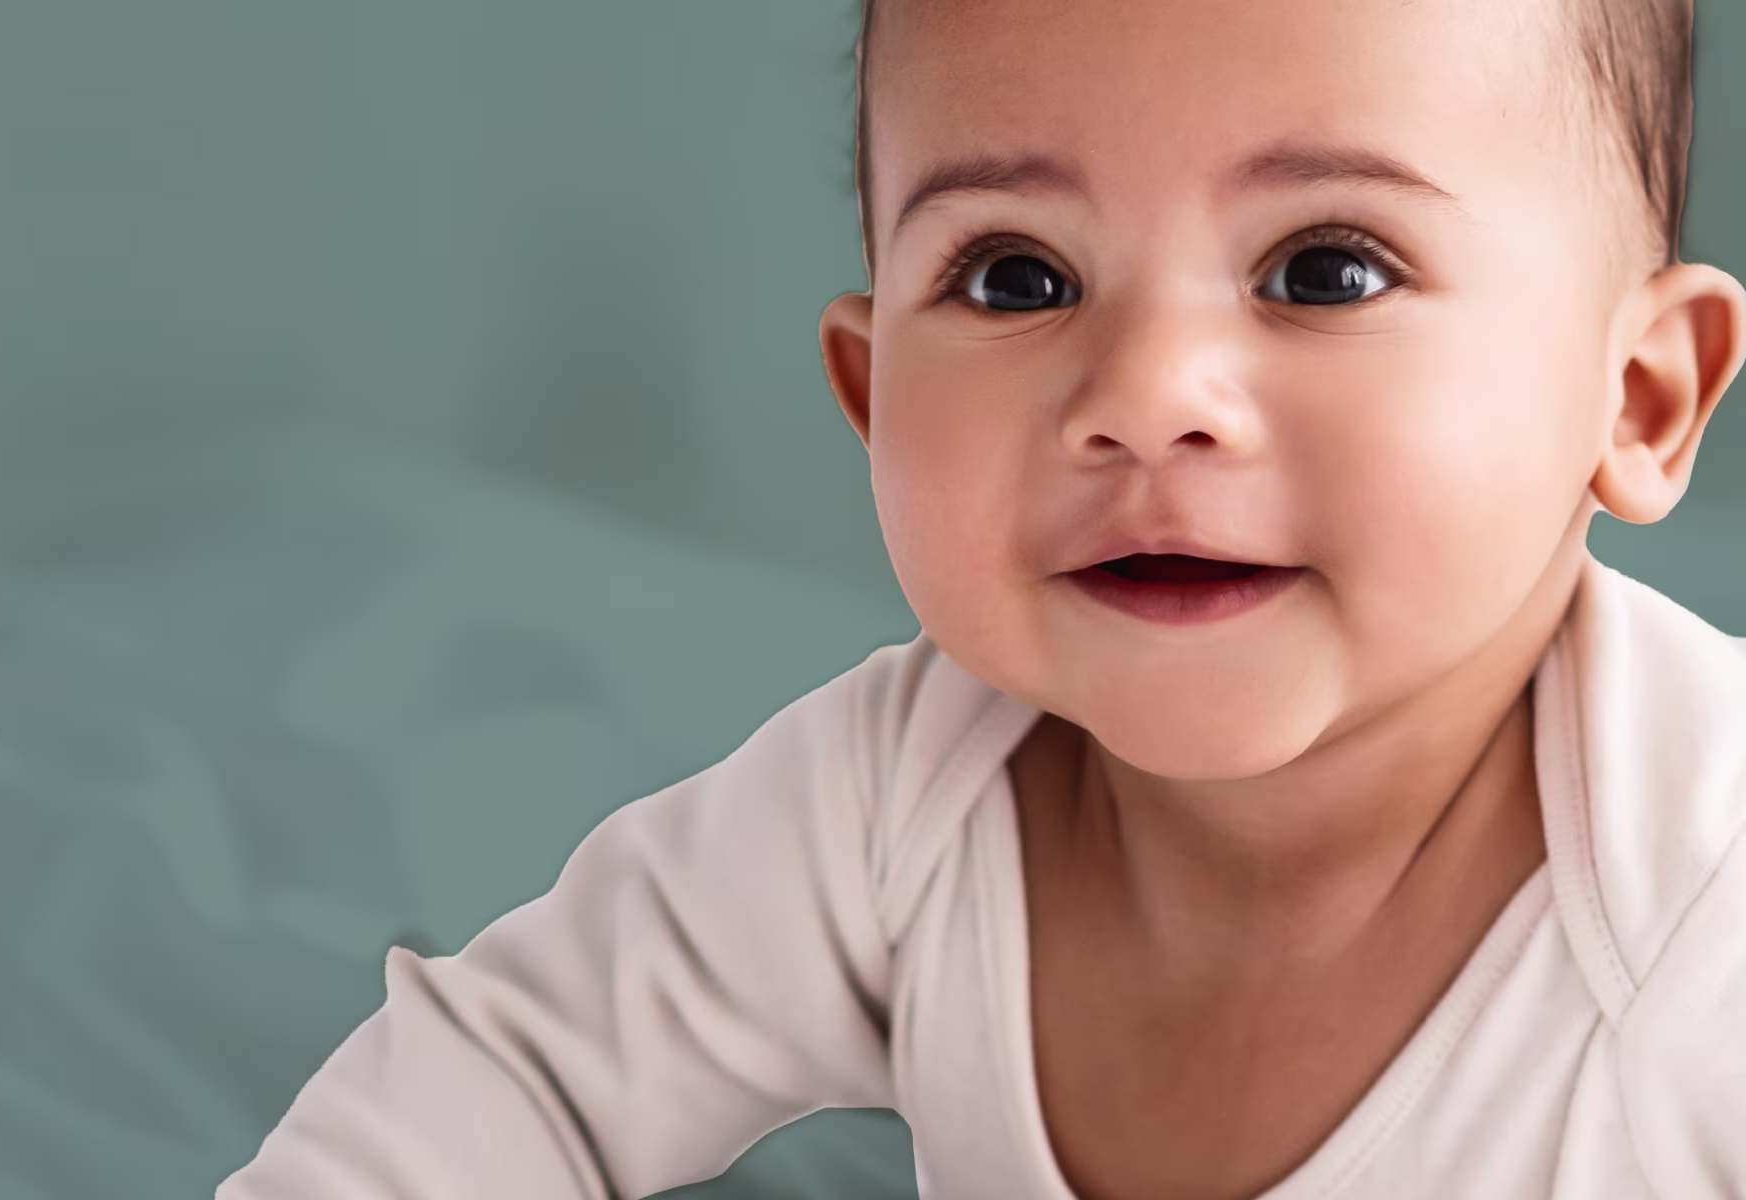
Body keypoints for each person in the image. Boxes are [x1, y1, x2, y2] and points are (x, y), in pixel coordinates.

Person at [217, 0, 1746, 1195]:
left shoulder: (1704, 913)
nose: (1146, 398)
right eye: (1017, 276)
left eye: (1326, 270)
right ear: (872, 396)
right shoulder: (897, 808)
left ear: (1636, 400)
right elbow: (524, 1073)